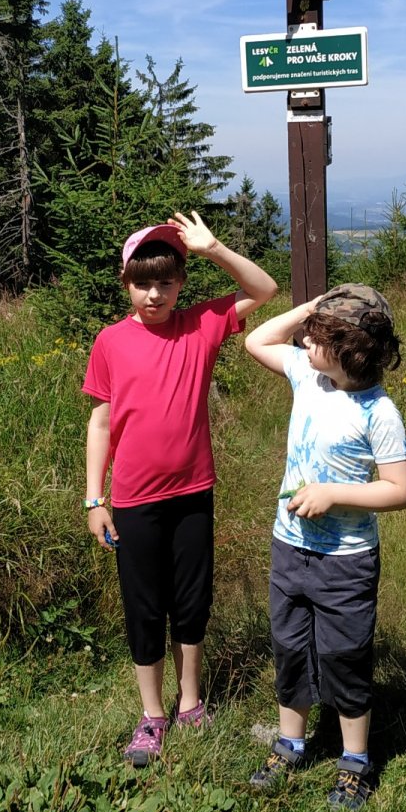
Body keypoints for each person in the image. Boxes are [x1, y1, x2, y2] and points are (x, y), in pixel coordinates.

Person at [82, 210, 278, 766]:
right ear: (126, 283)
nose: (155, 294)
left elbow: (263, 289)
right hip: (134, 500)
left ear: (180, 283)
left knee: (192, 602)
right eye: (143, 283)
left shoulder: (201, 324)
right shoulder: (111, 341)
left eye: (166, 282)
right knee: (145, 607)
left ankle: (190, 703)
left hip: (193, 493)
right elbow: (101, 422)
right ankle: (152, 715)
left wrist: (214, 248)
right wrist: (95, 499)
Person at [244, 284, 406, 810]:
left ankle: (354, 760)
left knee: (345, 657)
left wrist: (334, 494)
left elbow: (399, 489)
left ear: (349, 352)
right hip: (289, 548)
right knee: (289, 648)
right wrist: (312, 308)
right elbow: (256, 340)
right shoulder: (308, 375)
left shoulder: (378, 411)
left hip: (346, 562)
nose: (303, 341)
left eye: (317, 338)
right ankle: (290, 744)